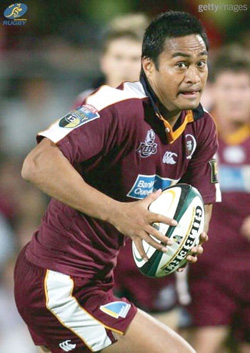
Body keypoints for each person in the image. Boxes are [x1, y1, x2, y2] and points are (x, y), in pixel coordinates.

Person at [14, 11, 221, 353]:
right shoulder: (116, 107)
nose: (194, 76)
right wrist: (119, 214)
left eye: (201, 64)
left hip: (94, 282)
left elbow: (202, 200)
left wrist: (189, 239)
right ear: (149, 67)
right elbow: (36, 164)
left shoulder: (200, 127)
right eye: (180, 64)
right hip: (56, 282)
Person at [178, 46, 250, 353]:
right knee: (205, 347)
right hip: (208, 274)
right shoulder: (193, 137)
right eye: (228, 87)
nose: (236, 96)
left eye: (244, 87)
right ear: (214, 90)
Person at [73, 13, 149, 108]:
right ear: (103, 61)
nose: (126, 65)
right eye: (118, 57)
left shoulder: (162, 108)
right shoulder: (86, 102)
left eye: (135, 59)